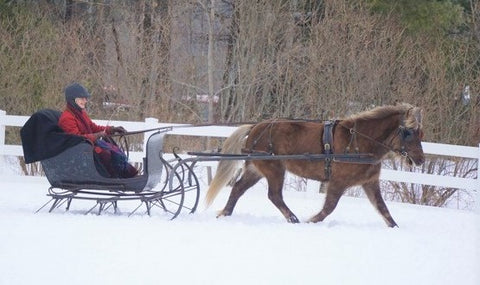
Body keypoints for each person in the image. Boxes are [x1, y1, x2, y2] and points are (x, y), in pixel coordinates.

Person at [58, 82, 138, 178]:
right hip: (80, 150)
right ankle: (113, 178)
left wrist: (111, 129)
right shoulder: (67, 118)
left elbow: (93, 127)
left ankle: (130, 175)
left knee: (115, 150)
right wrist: (96, 136)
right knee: (105, 154)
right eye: (81, 99)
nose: (85, 101)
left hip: (88, 145)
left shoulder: (81, 113)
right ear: (72, 100)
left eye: (85, 98)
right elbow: (76, 138)